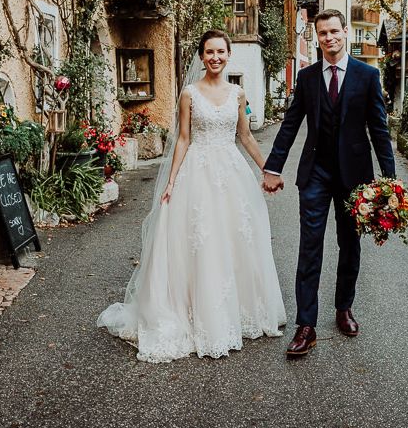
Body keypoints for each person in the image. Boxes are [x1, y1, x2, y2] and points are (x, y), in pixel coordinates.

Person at [98, 30, 286, 362]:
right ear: (201, 56)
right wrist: (171, 181)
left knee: (234, 239)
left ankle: (235, 312)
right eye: (209, 52)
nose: (215, 57)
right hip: (196, 175)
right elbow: (183, 139)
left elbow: (245, 136)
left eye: (221, 52)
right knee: (201, 242)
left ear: (229, 55)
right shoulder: (189, 94)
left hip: (231, 173)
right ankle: (196, 314)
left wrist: (266, 169)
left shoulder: (238, 94)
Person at [262, 9, 395, 358]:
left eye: (334, 31)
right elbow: (290, 125)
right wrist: (273, 166)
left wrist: (391, 180)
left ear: (346, 33)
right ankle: (306, 325)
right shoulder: (306, 78)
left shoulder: (367, 76)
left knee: (350, 244)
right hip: (316, 175)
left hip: (355, 178)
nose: (329, 38)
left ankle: (343, 308)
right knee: (310, 247)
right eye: (322, 33)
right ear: (316, 36)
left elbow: (379, 130)